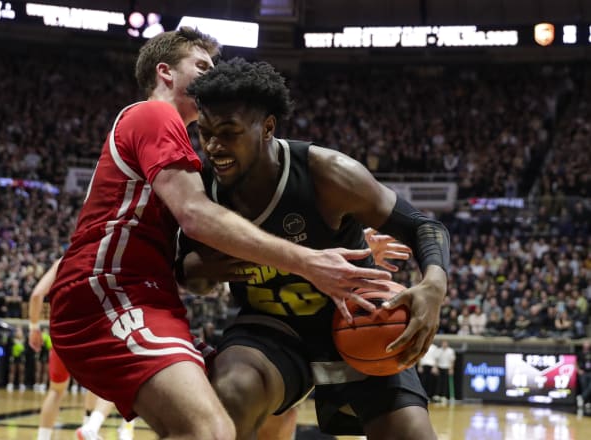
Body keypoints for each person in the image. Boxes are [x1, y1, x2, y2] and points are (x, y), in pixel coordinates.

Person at [48, 27, 390, 440]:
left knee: (271, 405)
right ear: (165, 72)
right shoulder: (153, 114)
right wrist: (308, 261)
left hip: (150, 295)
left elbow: (202, 252)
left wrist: (336, 241)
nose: (212, 76)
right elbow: (196, 215)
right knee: (207, 430)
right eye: (202, 66)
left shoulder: (186, 150)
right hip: (109, 294)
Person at [180, 58, 450, 439]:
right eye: (205, 133)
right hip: (270, 330)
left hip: (358, 320)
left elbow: (424, 226)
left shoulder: (329, 174)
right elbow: (190, 277)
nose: (213, 147)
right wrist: (206, 270)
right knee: (232, 391)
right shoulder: (199, 188)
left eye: (228, 132)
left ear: (267, 127)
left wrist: (434, 285)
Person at [29, 260, 134, 440]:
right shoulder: (104, 259)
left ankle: (43, 437)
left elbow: (37, 295)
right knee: (108, 385)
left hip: (62, 333)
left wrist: (34, 328)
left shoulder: (62, 262)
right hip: (90, 332)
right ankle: (91, 426)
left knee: (55, 391)